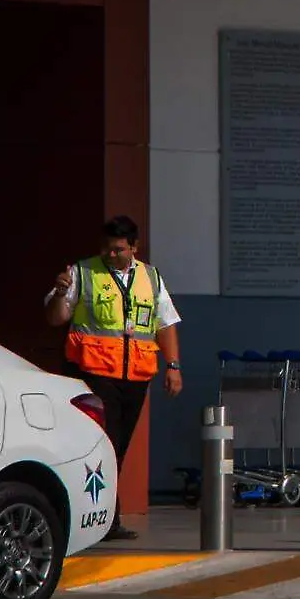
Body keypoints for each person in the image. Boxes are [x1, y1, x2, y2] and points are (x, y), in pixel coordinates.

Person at [45, 215, 183, 540]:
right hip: (93, 373)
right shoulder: (82, 272)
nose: (111, 255)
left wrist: (173, 366)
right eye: (106, 248)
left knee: (117, 446)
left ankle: (105, 517)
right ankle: (103, 518)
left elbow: (165, 324)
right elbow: (57, 317)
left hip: (135, 376)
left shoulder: (151, 277)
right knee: (104, 444)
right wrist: (59, 293)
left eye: (118, 250)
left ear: (134, 247)